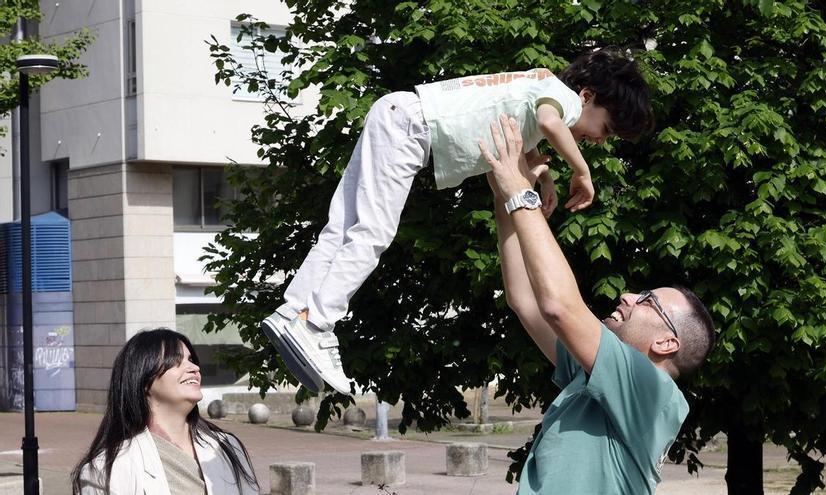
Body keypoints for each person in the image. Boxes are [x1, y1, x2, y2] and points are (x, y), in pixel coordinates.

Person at [262, 47, 655, 394]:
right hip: (410, 130)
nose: (600, 140)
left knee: (343, 227)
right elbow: (553, 124)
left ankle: (295, 311)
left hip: (398, 113)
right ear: (588, 96)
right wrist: (581, 171)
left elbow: (523, 153)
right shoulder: (564, 101)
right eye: (604, 129)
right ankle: (317, 326)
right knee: (373, 232)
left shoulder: (537, 91)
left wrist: (545, 177)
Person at [478, 115, 715, 494]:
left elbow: (560, 306)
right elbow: (525, 300)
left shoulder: (652, 390)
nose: (628, 296)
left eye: (648, 300)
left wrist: (520, 192)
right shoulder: (594, 378)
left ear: (667, 344)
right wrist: (504, 195)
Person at [72, 328, 259, 495]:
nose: (194, 368)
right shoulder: (107, 470)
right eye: (176, 361)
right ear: (144, 380)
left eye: (191, 360)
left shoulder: (227, 447)